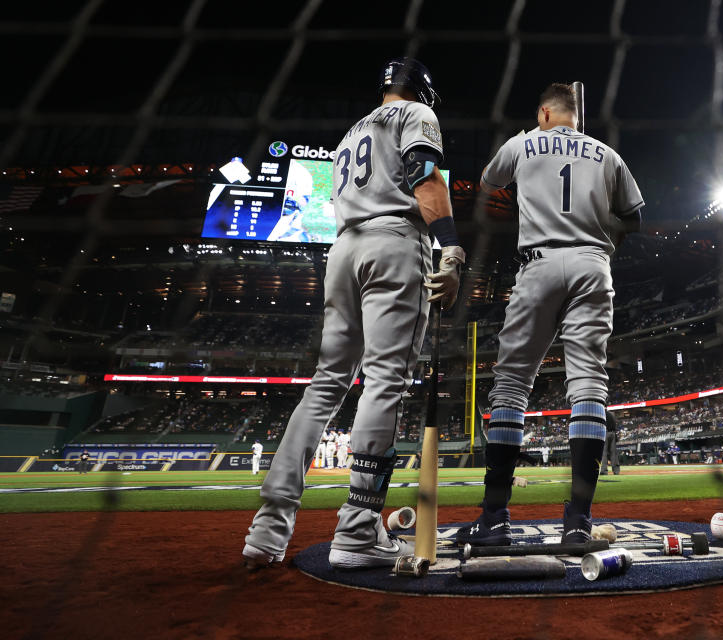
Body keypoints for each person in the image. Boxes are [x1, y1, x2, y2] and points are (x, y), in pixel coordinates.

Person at [242, 57, 464, 571]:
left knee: (325, 385)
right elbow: (425, 176)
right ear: (422, 91)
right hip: (392, 241)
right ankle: (359, 528)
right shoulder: (415, 115)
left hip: (342, 251)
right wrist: (450, 249)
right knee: (385, 379)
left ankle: (268, 528)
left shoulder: (350, 133)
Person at [456, 83, 643, 547]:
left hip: (537, 264)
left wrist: (529, 146)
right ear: (577, 115)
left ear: (544, 111)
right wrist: (601, 245)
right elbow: (634, 217)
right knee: (588, 383)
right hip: (592, 264)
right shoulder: (607, 153)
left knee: (513, 383)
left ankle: (495, 517)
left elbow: (487, 181)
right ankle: (579, 520)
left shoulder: (522, 143)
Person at [600, 411, 620, 475]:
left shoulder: (601, 413)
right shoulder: (611, 414)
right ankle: (616, 471)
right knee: (613, 453)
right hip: (613, 433)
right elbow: (615, 424)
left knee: (604, 453)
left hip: (605, 433)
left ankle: (604, 470)